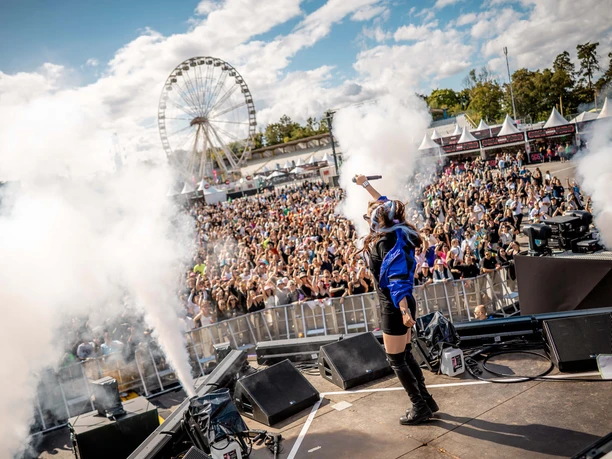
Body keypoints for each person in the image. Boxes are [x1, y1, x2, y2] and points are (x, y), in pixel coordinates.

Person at [355, 174, 437, 426]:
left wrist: (402, 311)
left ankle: (419, 406)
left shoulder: (385, 242)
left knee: (396, 360)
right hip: (402, 303)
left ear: (379, 220)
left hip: (395, 306)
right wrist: (365, 184)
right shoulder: (398, 231)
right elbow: (385, 202)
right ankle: (426, 401)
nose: (367, 219)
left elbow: (397, 280)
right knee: (405, 354)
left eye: (369, 216)